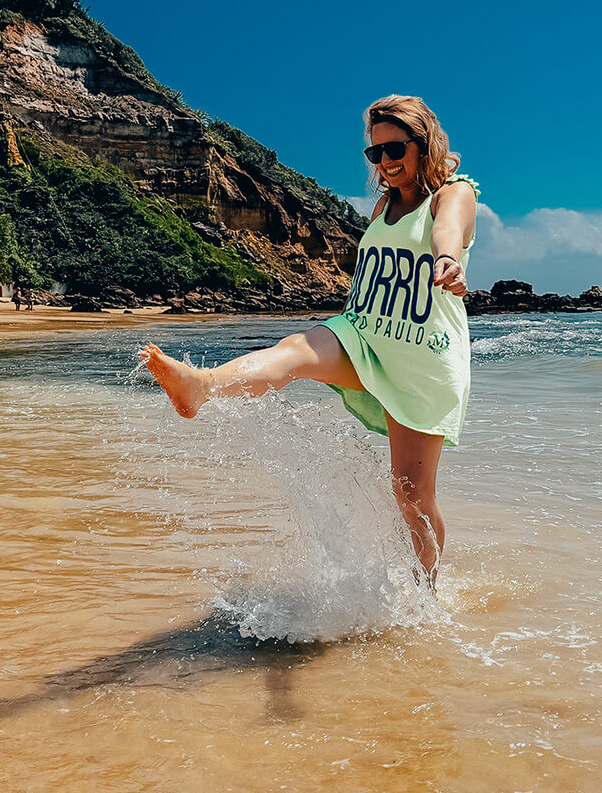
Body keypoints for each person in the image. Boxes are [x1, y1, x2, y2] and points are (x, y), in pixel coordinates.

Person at [141, 95, 480, 589]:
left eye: (395, 149)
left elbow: (446, 230)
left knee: (412, 496)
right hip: (364, 330)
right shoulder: (384, 204)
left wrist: (447, 259)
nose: (385, 162)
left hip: (423, 354)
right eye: (375, 154)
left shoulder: (454, 193)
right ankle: (201, 385)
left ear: (424, 143)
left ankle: (426, 596)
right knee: (296, 349)